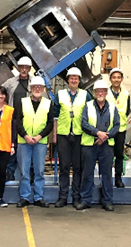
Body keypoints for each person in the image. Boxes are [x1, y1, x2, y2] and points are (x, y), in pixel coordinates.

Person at [52, 67, 91, 208]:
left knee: (77, 167)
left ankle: (76, 196)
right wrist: (55, 135)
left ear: (79, 80)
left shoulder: (86, 95)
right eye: (71, 78)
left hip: (79, 135)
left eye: (76, 78)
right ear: (67, 80)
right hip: (63, 135)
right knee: (64, 166)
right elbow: (55, 116)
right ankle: (62, 196)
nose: (74, 80)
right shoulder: (60, 94)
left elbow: (89, 115)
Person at [80, 79, 120, 211]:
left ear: (106, 92)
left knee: (107, 174)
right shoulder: (88, 106)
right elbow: (84, 124)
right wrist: (98, 133)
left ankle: (107, 201)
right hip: (89, 145)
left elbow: (116, 126)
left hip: (106, 146)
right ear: (94, 92)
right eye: (98, 91)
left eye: (103, 91)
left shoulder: (113, 108)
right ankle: (85, 200)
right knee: (87, 173)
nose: (100, 93)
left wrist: (105, 136)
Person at [14, 76, 52, 208]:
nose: (37, 89)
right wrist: (26, 136)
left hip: (40, 142)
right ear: (30, 88)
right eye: (35, 87)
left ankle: (38, 197)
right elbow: (17, 122)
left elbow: (50, 124)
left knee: (39, 171)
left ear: (43, 89)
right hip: (24, 142)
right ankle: (25, 197)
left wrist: (39, 136)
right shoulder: (22, 102)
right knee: (24, 171)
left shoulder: (48, 103)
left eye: (39, 87)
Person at [4, 56, 33, 180]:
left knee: (28, 146)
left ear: (30, 68)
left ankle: (30, 173)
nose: (24, 70)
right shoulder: (11, 82)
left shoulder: (34, 83)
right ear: (18, 68)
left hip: (28, 120)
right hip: (13, 119)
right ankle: (10, 172)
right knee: (12, 146)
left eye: (26, 68)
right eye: (22, 67)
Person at [106, 67, 130, 189]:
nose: (116, 80)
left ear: (121, 79)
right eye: (114, 77)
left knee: (119, 154)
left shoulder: (126, 94)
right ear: (110, 79)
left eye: (118, 77)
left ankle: (118, 178)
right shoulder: (105, 93)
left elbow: (128, 110)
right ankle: (107, 178)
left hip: (120, 129)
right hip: (108, 130)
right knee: (108, 154)